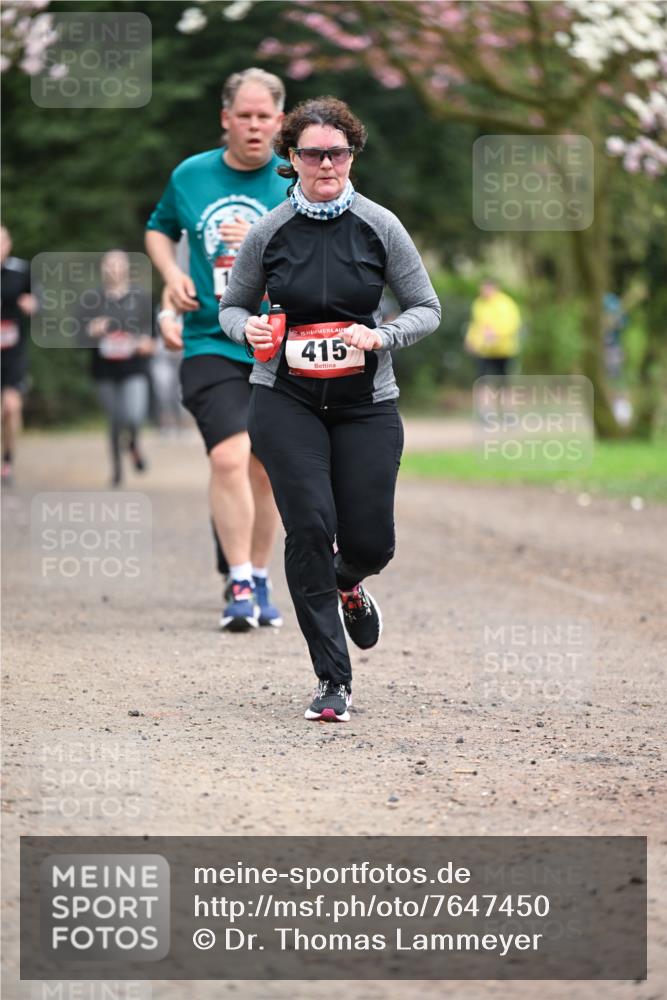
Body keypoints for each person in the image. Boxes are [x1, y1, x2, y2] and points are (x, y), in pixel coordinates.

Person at [220, 97, 441, 721]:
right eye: (313, 153)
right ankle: (332, 681)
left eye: (337, 152)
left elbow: (427, 307)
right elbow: (232, 308)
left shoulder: (380, 225)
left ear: (351, 155)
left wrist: (382, 336)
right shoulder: (270, 231)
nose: (326, 163)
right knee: (310, 530)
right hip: (284, 398)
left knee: (370, 542)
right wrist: (249, 334)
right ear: (292, 159)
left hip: (366, 402)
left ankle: (351, 582)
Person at [146, 68, 289, 631]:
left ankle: (259, 573)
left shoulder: (294, 178)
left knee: (265, 469)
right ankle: (237, 579)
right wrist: (169, 279)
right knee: (229, 455)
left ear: (280, 122)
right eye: (245, 116)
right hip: (210, 337)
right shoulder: (191, 175)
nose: (254, 127)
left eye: (265, 117)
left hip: (278, 343)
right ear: (226, 118)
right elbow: (159, 228)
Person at [82, 250, 154, 487]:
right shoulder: (92, 298)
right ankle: (117, 470)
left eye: (118, 264)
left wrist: (147, 342)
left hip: (134, 367)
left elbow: (153, 332)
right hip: (104, 370)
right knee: (114, 419)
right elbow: (78, 334)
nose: (113, 269)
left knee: (133, 415)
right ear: (103, 269)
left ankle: (132, 442)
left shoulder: (141, 297)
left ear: (126, 268)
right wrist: (92, 330)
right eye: (109, 265)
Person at [1, 225, 38, 484]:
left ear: (9, 244)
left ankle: (8, 460)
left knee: (11, 408)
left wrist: (33, 305)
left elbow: (39, 300)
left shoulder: (21, 270)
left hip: (13, 352)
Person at [464, 278, 521, 381]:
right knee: (481, 377)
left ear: (495, 288)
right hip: (483, 349)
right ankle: (482, 397)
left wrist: (496, 333)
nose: (484, 292)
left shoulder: (506, 303)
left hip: (503, 350)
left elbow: (512, 324)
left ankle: (505, 396)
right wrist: (469, 339)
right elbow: (474, 324)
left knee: (503, 378)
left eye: (487, 289)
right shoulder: (478, 303)